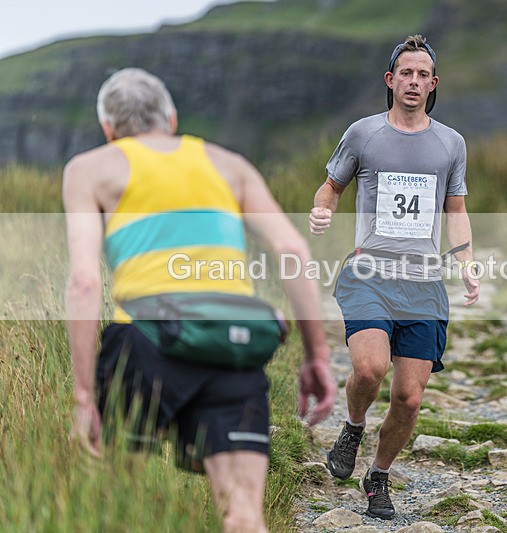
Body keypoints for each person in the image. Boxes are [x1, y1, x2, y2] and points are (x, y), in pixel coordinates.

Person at [64, 67, 337, 533]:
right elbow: (293, 251)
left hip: (146, 340)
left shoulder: (90, 168)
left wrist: (84, 395)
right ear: (171, 119)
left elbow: (85, 282)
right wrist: (317, 355)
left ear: (109, 129)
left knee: (112, 509)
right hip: (232, 343)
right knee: (244, 516)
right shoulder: (230, 165)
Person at [309, 35, 480, 520]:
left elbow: (457, 210)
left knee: (408, 397)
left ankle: (378, 476)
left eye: (422, 74)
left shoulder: (451, 143)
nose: (413, 81)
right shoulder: (363, 134)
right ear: (390, 80)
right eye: (405, 73)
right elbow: (331, 186)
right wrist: (322, 212)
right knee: (369, 369)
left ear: (433, 84)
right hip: (369, 271)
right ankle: (353, 425)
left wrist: (466, 261)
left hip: (423, 281)